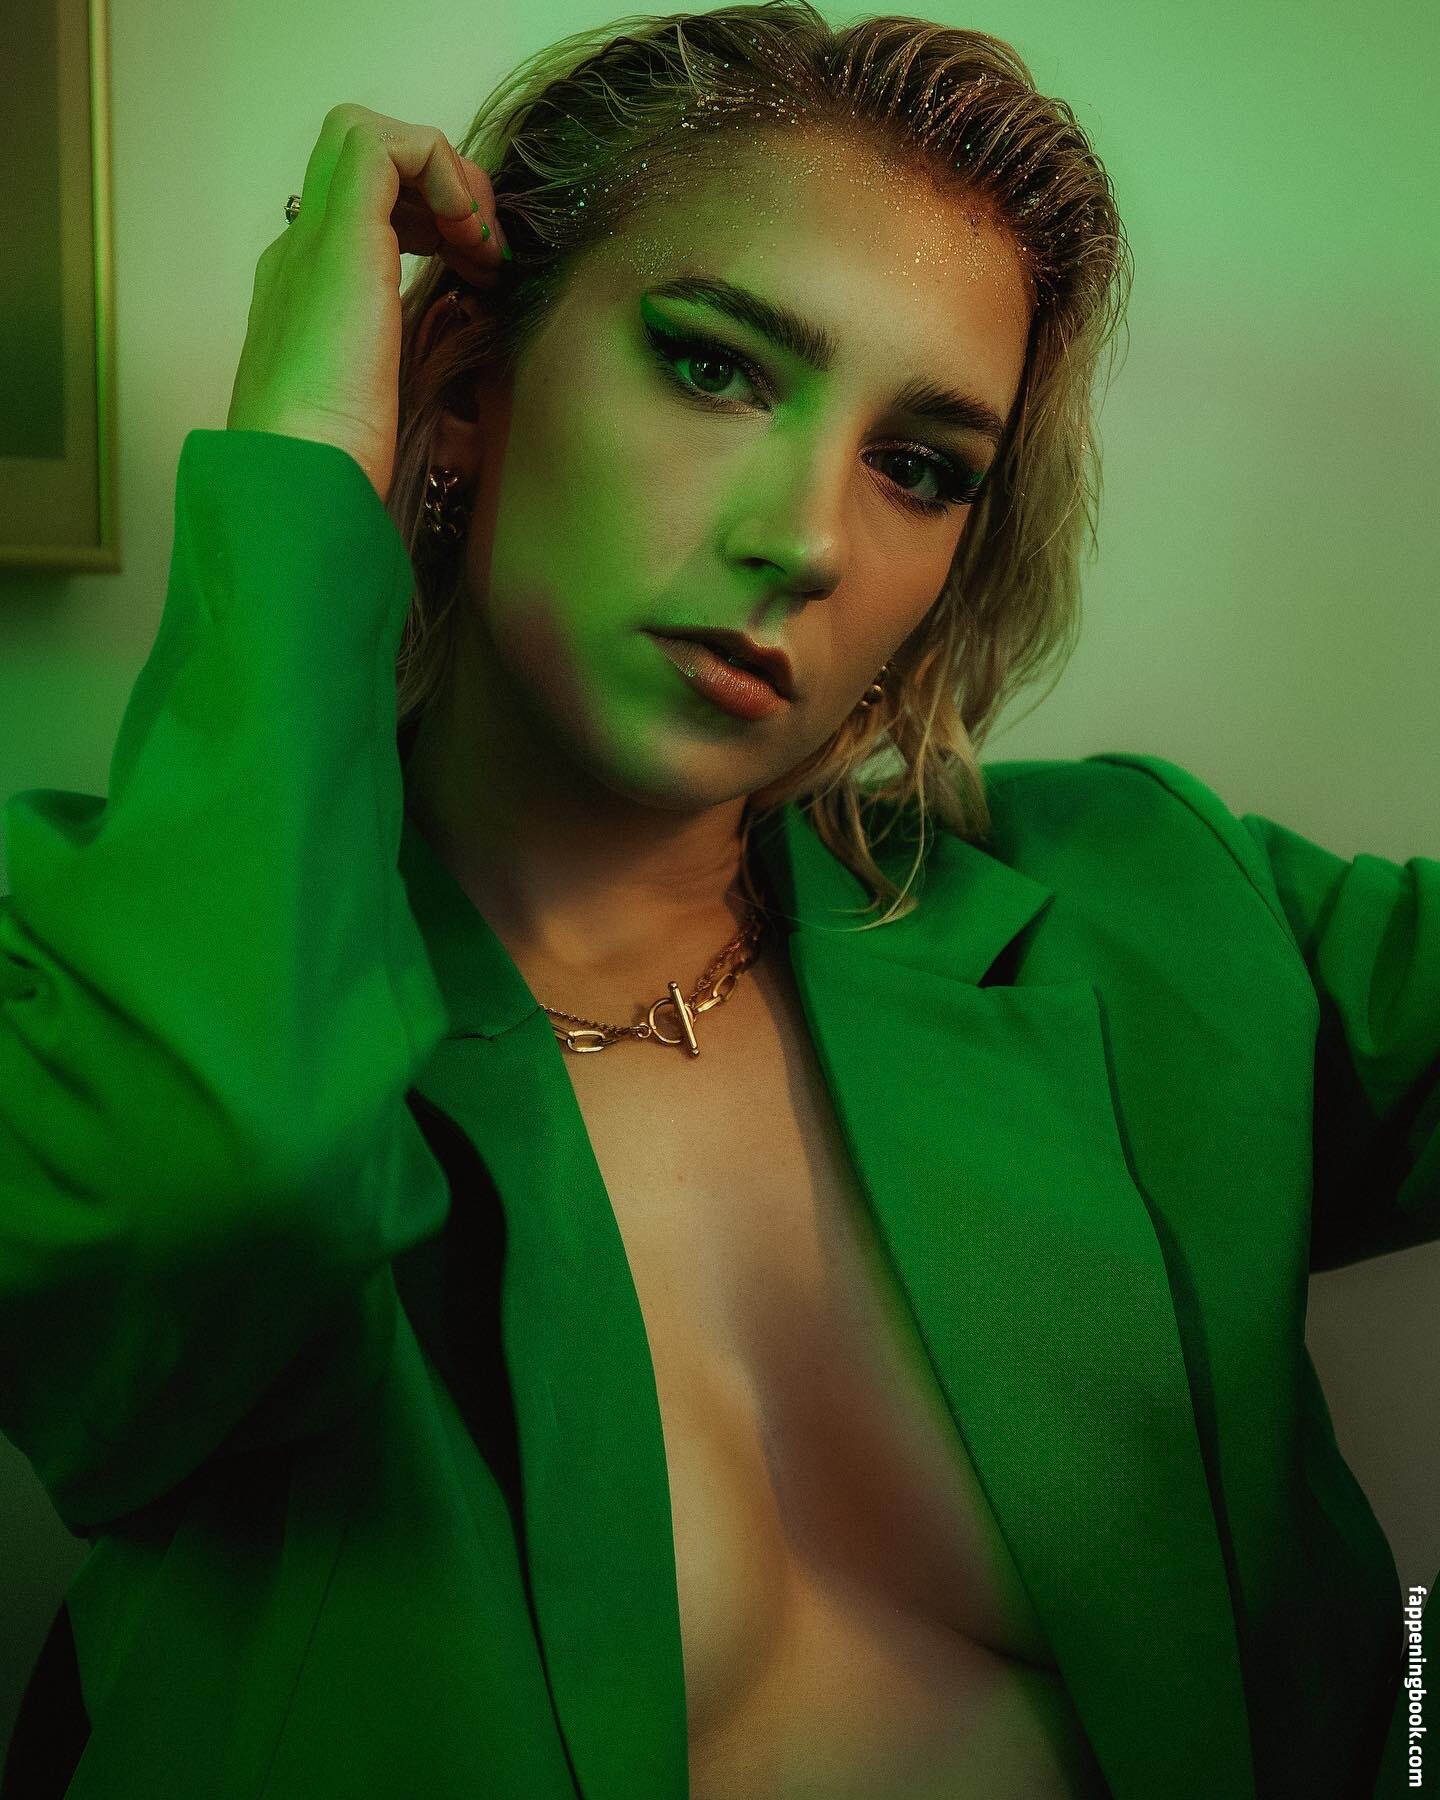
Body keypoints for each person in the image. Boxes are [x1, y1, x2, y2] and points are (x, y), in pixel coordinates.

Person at [0, 5, 1431, 1797]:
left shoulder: (1154, 914)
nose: (807, 537)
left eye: (920, 466)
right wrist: (302, 460)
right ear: (467, 382)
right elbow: (218, 1187)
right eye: (713, 366)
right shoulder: (115, 980)